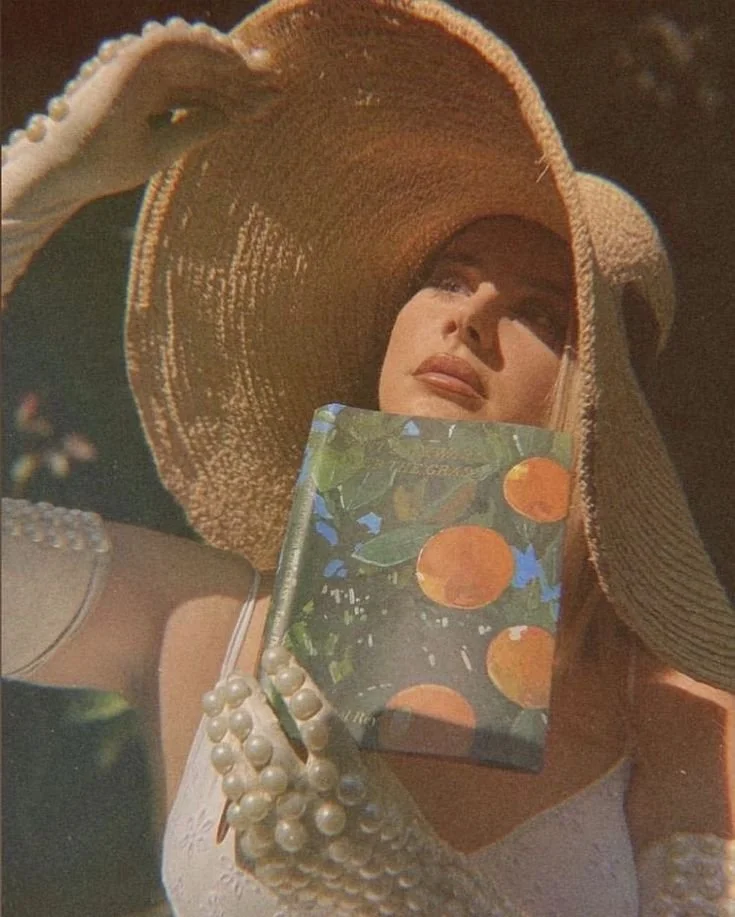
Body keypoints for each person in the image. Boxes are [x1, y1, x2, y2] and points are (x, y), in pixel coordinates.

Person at [2, 1, 733, 915]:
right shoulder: (205, 623)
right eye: (447, 277)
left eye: (541, 313)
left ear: (605, 411)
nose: (467, 318)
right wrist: (41, 181)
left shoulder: (678, 718)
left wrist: (408, 887)